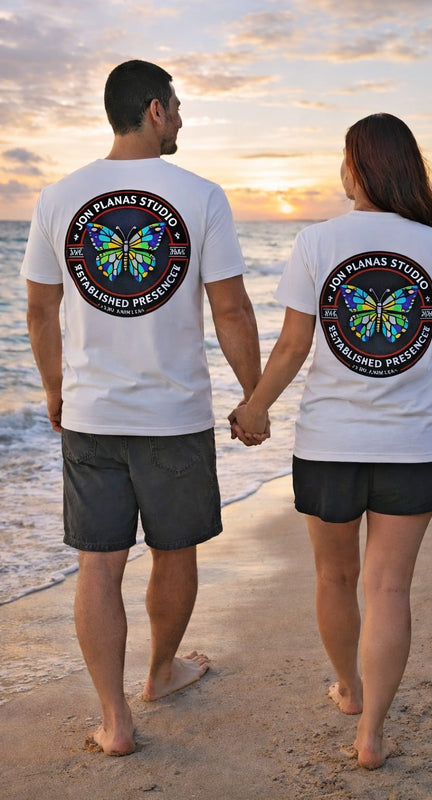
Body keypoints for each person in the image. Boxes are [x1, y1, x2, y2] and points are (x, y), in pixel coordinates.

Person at [21, 60, 262, 757]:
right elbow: (232, 308)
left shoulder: (58, 197)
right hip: (173, 415)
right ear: (154, 109)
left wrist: (55, 386)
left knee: (99, 564)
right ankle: (161, 672)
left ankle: (113, 719)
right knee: (172, 549)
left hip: (93, 416)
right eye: (178, 107)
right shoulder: (200, 195)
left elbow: (40, 309)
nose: (182, 118)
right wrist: (251, 396)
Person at [229, 113, 432, 770]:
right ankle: (372, 736)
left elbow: (291, 345)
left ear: (358, 166)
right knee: (388, 589)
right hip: (411, 444)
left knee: (333, 577)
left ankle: (349, 691)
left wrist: (254, 408)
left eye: (344, 156)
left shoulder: (317, 241)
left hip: (330, 441)